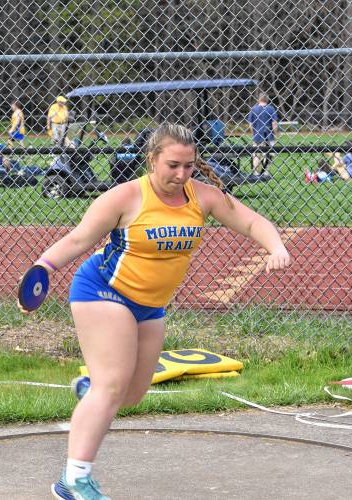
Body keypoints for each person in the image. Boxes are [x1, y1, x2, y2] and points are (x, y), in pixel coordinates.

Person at [19, 123, 291, 499]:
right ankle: (73, 481)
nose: (181, 175)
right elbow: (79, 238)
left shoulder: (204, 197)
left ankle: (90, 391)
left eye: (189, 166)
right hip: (102, 291)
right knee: (112, 386)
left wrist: (275, 247)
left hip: (150, 305)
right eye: (173, 165)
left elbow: (251, 221)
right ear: (152, 160)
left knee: (131, 395)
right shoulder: (125, 197)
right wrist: (43, 269)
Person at [247, 94, 278, 176]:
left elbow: (250, 124)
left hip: (257, 136)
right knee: (268, 154)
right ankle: (266, 172)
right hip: (268, 135)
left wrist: (254, 132)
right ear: (267, 100)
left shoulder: (253, 109)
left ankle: (256, 172)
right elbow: (274, 123)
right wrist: (275, 133)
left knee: (256, 155)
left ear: (259, 99)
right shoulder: (270, 109)